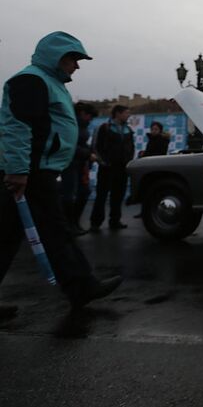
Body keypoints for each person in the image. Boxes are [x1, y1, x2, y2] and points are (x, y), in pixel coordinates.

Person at [0, 31, 122, 317]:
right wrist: (18, 171)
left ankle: (81, 287)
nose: (76, 66)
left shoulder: (50, 83)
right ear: (57, 57)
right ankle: (82, 287)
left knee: (15, 236)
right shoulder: (31, 80)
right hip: (30, 173)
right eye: (73, 59)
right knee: (54, 231)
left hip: (35, 171)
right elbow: (18, 126)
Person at [90, 105, 134, 230]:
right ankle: (95, 223)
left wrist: (129, 163)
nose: (128, 115)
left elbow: (131, 148)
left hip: (122, 169)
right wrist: (103, 162)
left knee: (118, 196)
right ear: (118, 114)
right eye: (126, 112)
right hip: (107, 168)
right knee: (101, 196)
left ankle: (115, 221)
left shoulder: (129, 130)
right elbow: (95, 146)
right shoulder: (104, 128)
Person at [60, 101, 98, 236]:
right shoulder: (70, 124)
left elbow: (80, 144)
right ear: (82, 113)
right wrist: (88, 154)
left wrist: (89, 153)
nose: (91, 120)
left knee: (84, 192)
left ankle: (74, 223)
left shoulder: (82, 126)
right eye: (90, 116)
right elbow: (69, 146)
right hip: (69, 164)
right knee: (68, 196)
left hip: (81, 164)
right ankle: (67, 226)